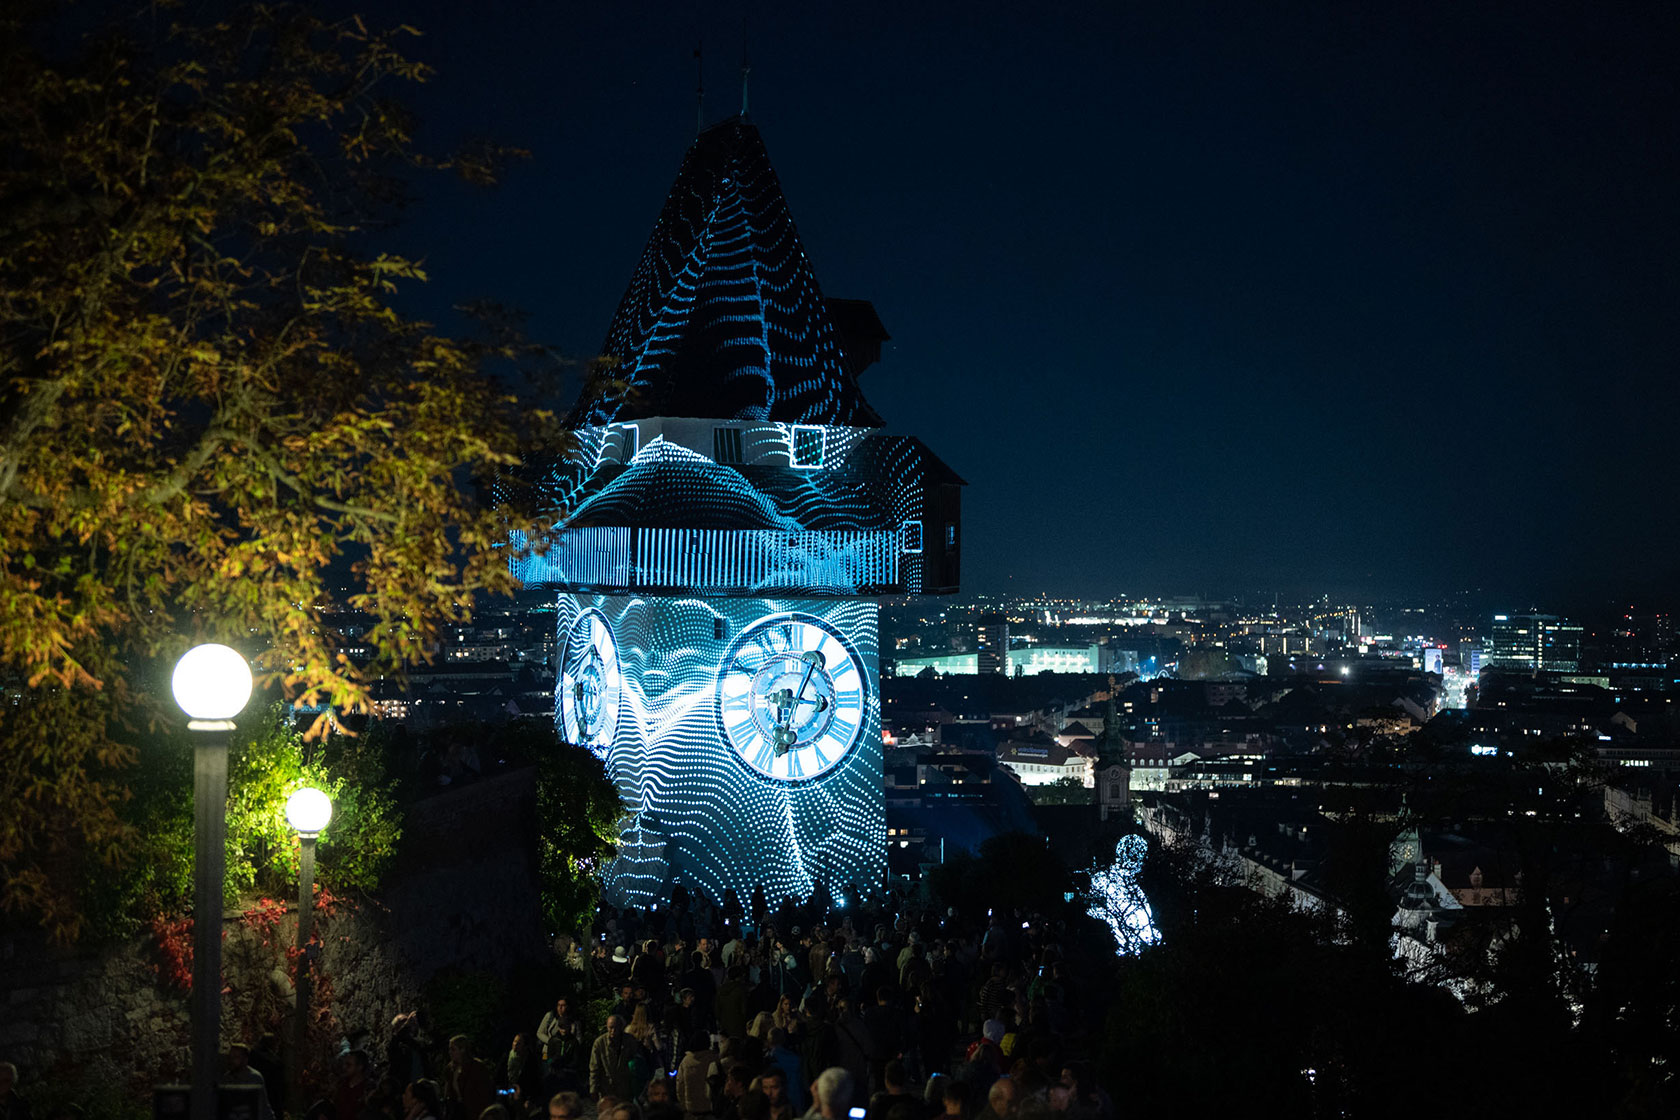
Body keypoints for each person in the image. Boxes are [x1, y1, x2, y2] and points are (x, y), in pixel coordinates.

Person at [444, 1037, 494, 1120]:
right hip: (456, 1111)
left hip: (473, 1111)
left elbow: (485, 1093)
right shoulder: (450, 1068)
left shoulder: (477, 1067)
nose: (450, 1052)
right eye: (449, 1049)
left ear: (462, 1050)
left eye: (453, 1049)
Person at [589, 1016, 637, 1100]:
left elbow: (636, 1062)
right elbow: (594, 1067)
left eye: (616, 1028)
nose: (613, 1031)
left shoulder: (629, 1041)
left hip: (625, 1087)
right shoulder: (600, 1043)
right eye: (610, 1028)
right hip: (607, 1087)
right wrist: (593, 1088)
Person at [225, 1043, 276, 1120]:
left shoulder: (254, 1078)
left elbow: (263, 1106)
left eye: (236, 1057)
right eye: (230, 1057)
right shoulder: (227, 1079)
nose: (231, 1060)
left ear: (245, 1059)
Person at [537, 999, 581, 1064]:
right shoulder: (550, 1016)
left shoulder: (574, 1020)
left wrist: (571, 1047)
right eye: (558, 1005)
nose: (560, 1008)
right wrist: (552, 1042)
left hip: (567, 1057)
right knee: (549, 1065)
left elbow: (578, 1038)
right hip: (549, 1054)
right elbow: (540, 1033)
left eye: (563, 1005)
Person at [336, 1050, 373, 1120]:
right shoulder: (341, 1083)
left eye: (348, 1065)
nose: (344, 1067)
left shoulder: (368, 1089)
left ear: (360, 1067)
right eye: (344, 1064)